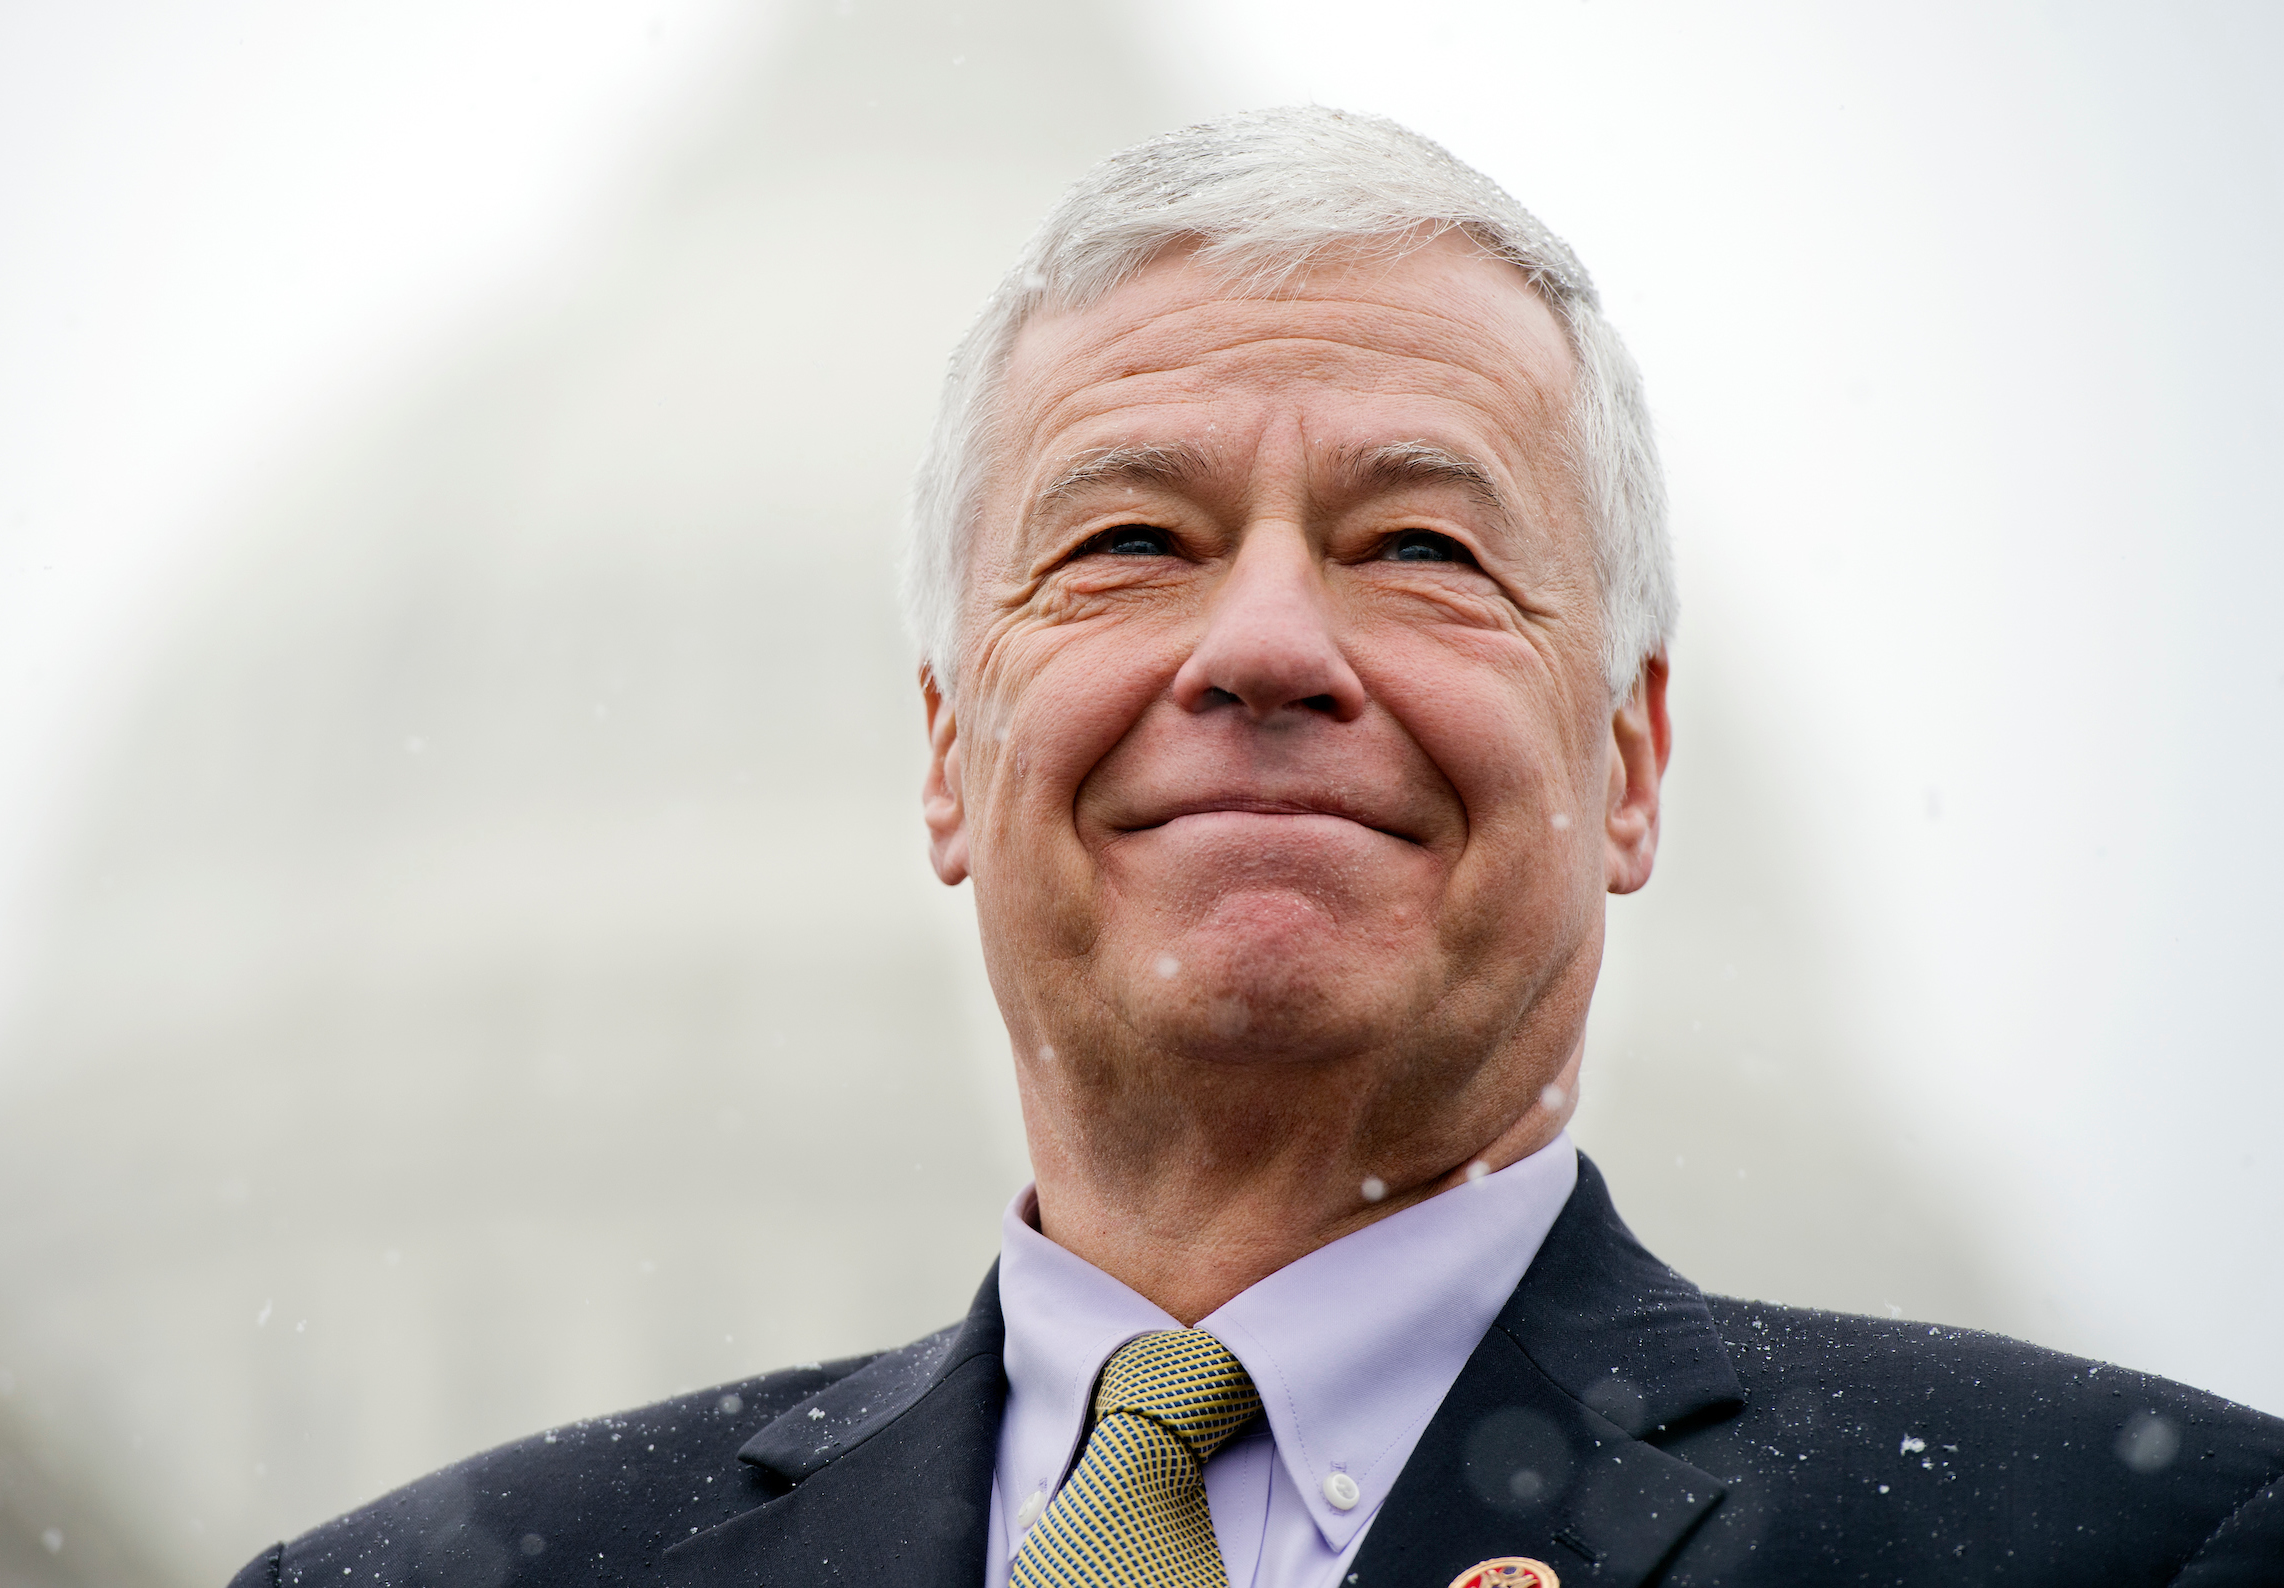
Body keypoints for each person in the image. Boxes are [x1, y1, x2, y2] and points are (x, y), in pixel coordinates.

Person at [229, 107, 2284, 1588]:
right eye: (1131, 539)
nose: (1271, 645)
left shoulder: (2145, 1545)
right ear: (950, 753)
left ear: (1635, 757)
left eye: (1421, 544)